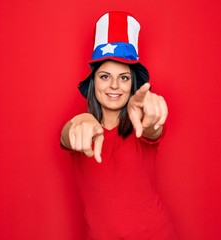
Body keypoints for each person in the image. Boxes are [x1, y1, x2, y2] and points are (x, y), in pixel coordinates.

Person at [60, 11, 179, 239]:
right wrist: (79, 121)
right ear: (93, 82)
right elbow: (67, 135)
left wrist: (152, 113)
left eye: (124, 78)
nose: (114, 85)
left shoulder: (141, 124)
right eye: (105, 76)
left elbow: (154, 129)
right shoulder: (82, 130)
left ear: (133, 85)